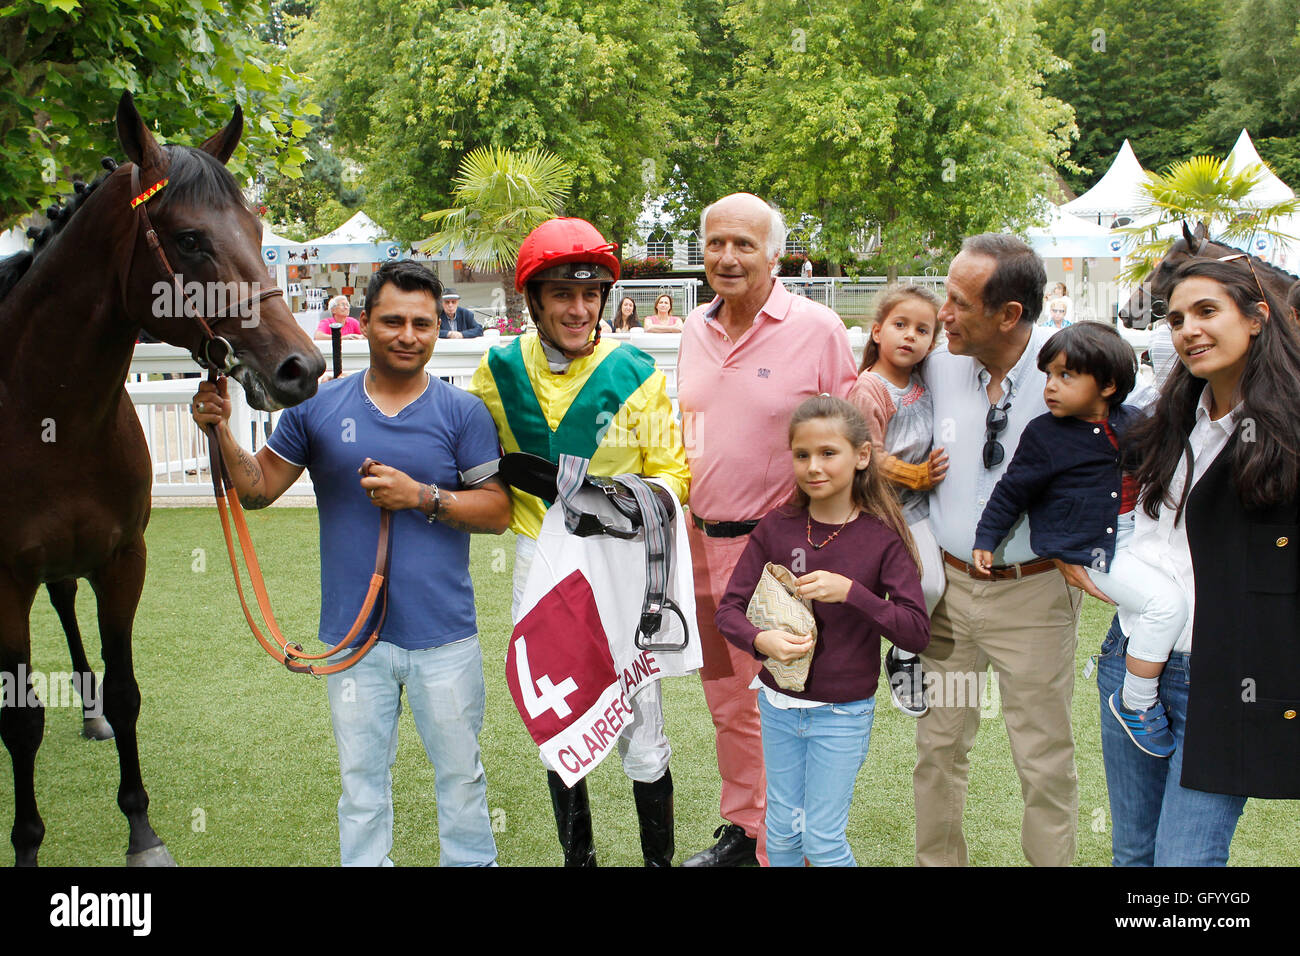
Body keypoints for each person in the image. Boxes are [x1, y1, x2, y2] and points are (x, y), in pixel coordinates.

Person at [191, 260, 510, 867]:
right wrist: (221, 433)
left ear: (438, 327)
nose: (408, 335)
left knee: (461, 778)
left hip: (444, 637)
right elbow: (258, 491)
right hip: (351, 640)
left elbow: (496, 511)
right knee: (361, 787)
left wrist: (422, 497)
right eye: (393, 320)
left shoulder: (462, 413)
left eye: (421, 323)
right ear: (364, 324)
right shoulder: (316, 407)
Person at [469, 217, 690, 867]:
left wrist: (611, 498)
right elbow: (472, 463)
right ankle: (580, 861)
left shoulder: (637, 374)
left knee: (641, 726)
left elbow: (674, 475)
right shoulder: (497, 373)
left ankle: (657, 864)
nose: (578, 308)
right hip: (541, 563)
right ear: (533, 300)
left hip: (618, 561)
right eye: (563, 293)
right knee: (559, 716)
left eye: (590, 294)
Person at [1075, 257, 1300, 865]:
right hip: (1132, 660)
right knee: (1133, 855)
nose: (1188, 330)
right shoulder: (1170, 419)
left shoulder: (1287, 431)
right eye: (1175, 318)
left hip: (1229, 679)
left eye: (1207, 312)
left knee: (1185, 864)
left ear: (1257, 319)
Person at [677, 192, 857, 867]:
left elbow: (847, 443)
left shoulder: (817, 328)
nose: (726, 257)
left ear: (775, 254)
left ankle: (797, 844)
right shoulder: (694, 326)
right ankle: (746, 829)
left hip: (779, 552)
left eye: (744, 245)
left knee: (790, 704)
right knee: (728, 699)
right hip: (701, 545)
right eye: (716, 243)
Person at [916, 232, 1083, 867]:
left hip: (1035, 598)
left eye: (957, 302)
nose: (943, 315)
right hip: (950, 599)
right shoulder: (936, 364)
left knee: (1043, 762)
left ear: (1009, 314)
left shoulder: (1074, 365)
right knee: (939, 751)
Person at [715, 396, 930, 866]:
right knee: (783, 837)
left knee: (823, 841)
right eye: (802, 454)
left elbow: (916, 632)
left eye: (829, 453)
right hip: (776, 705)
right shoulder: (776, 526)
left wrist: (853, 592)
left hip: (843, 713)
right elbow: (729, 611)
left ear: (862, 456)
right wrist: (760, 640)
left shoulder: (882, 536)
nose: (814, 466)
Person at [972, 322, 1187, 759]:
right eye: (1049, 374)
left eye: (1066, 376)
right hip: (1092, 549)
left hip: (1140, 536)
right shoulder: (1044, 434)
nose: (1050, 386)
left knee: (1173, 599)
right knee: (1167, 605)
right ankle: (1135, 702)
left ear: (1108, 385)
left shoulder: (1135, 423)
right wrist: (987, 537)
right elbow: (1013, 490)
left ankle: (1129, 660)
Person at [847, 285, 948, 718]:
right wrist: (916, 474)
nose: (910, 336)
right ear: (876, 332)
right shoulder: (868, 388)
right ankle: (895, 654)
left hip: (923, 508)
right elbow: (865, 452)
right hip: (881, 508)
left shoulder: (929, 382)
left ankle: (904, 654)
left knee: (932, 586)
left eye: (922, 330)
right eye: (900, 325)